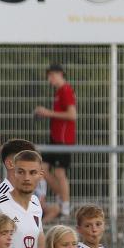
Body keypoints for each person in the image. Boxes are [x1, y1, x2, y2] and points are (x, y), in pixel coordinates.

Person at [34, 63, 76, 219]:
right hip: (55, 138)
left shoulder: (66, 90)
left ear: (60, 74)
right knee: (42, 169)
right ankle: (62, 197)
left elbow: (72, 115)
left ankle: (65, 206)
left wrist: (47, 113)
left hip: (64, 140)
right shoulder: (59, 92)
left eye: (51, 75)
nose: (50, 79)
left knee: (59, 172)